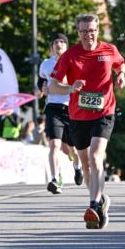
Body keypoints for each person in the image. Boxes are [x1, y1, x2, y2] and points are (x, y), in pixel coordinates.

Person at [48, 13, 125, 229]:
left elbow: (120, 64)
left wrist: (121, 75)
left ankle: (92, 205)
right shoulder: (70, 55)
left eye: (91, 31)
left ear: (97, 30)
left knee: (95, 157)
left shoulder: (109, 50)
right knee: (85, 164)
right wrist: (70, 88)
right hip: (78, 116)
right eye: (83, 31)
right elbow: (53, 86)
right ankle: (100, 201)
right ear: (78, 32)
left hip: (104, 112)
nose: (88, 35)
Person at [38, 33, 83, 194]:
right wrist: (42, 88)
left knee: (73, 149)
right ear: (52, 46)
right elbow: (41, 81)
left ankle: (77, 166)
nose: (59, 44)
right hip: (53, 107)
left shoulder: (74, 62)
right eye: (56, 42)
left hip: (71, 108)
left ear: (66, 46)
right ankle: (55, 178)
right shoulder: (45, 64)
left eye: (62, 42)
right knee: (54, 145)